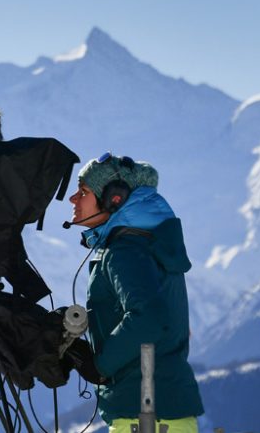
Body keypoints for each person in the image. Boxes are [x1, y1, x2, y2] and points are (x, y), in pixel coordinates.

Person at [66, 152, 204, 433]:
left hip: (145, 416)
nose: (73, 199)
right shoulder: (148, 246)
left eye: (83, 192)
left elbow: (149, 317)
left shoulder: (125, 251)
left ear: (113, 199)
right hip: (163, 413)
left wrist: (100, 366)